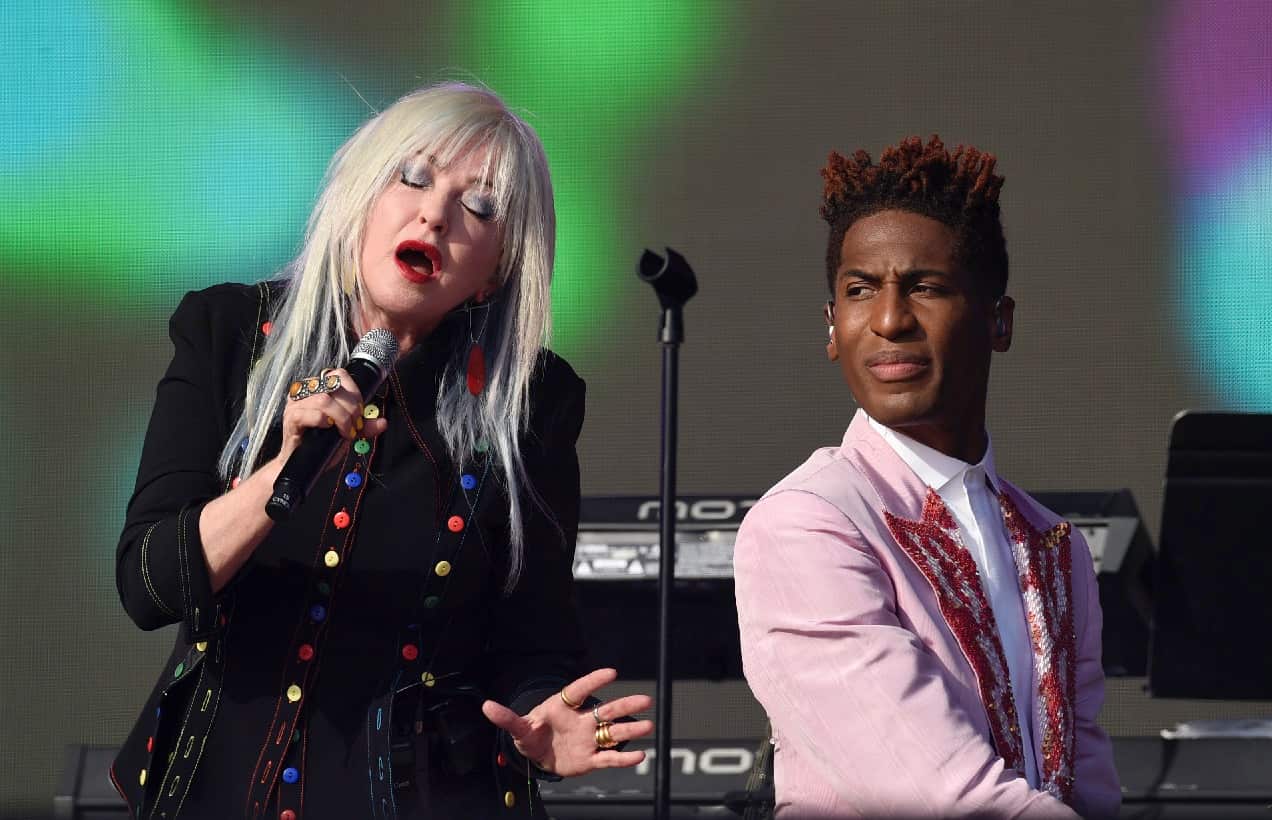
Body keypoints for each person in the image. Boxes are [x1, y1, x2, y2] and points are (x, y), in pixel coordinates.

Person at [111, 82, 652, 819]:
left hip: (427, 794)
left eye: (480, 206)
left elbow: (535, 636)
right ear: (363, 194)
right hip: (220, 789)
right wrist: (278, 476)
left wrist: (543, 718)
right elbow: (148, 585)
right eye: (414, 177)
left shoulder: (531, 401)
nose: (435, 212)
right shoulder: (228, 333)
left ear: (494, 267)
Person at [733, 136, 1121, 818]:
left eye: (927, 287)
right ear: (831, 327)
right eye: (860, 291)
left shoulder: (1053, 546)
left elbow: (1088, 788)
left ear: (998, 322)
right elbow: (942, 796)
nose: (888, 321)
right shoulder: (807, 524)